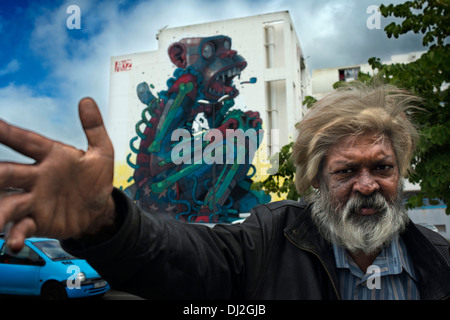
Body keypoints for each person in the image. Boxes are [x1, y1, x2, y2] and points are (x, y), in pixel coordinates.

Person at [0, 82, 449, 300]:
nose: (367, 185)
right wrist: (104, 219)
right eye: (346, 171)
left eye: (382, 168)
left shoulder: (439, 258)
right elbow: (185, 258)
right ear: (316, 180)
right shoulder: (268, 240)